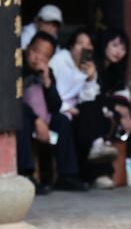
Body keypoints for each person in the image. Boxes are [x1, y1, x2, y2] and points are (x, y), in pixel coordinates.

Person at [17, 31, 87, 194]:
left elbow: (55, 106)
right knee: (22, 121)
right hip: (26, 119)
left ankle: (66, 176)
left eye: (45, 56)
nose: (38, 58)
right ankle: (26, 175)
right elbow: (13, 102)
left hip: (44, 122)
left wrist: (48, 82)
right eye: (36, 51)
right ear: (28, 48)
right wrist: (36, 120)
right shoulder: (17, 67)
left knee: (62, 121)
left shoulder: (47, 73)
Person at [49, 27, 118, 188]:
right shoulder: (59, 60)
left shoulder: (90, 67)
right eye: (80, 43)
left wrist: (90, 78)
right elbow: (49, 90)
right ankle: (97, 172)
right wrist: (64, 107)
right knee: (81, 121)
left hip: (77, 110)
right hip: (57, 108)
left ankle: (98, 167)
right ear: (71, 46)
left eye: (88, 44)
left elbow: (88, 98)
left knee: (94, 112)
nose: (84, 48)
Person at [74, 28, 131, 188]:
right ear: (104, 44)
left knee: (129, 119)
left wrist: (126, 113)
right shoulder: (89, 61)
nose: (119, 52)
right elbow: (87, 93)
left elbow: (119, 94)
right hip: (79, 107)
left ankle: (126, 163)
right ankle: (99, 174)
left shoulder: (115, 69)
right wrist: (116, 108)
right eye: (115, 45)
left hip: (100, 107)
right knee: (100, 117)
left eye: (123, 48)